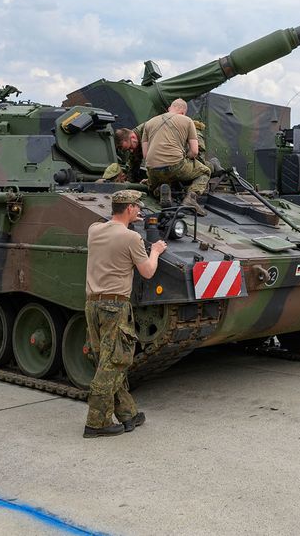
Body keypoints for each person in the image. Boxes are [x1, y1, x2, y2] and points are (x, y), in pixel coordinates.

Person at [83, 189, 167, 438]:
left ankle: (127, 413)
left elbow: (108, 227)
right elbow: (148, 272)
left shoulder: (94, 230)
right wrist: (156, 251)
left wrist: (130, 222)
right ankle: (96, 423)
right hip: (115, 307)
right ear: (129, 208)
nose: (140, 210)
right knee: (115, 362)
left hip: (93, 305)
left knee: (107, 359)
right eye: (137, 207)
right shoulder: (131, 238)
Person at [139, 98, 211, 215]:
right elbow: (194, 151)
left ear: (169, 109)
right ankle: (191, 199)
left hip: (152, 169)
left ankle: (160, 190)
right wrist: (185, 158)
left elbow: (145, 155)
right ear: (183, 112)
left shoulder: (149, 123)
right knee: (205, 171)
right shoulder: (187, 121)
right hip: (175, 166)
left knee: (158, 181)